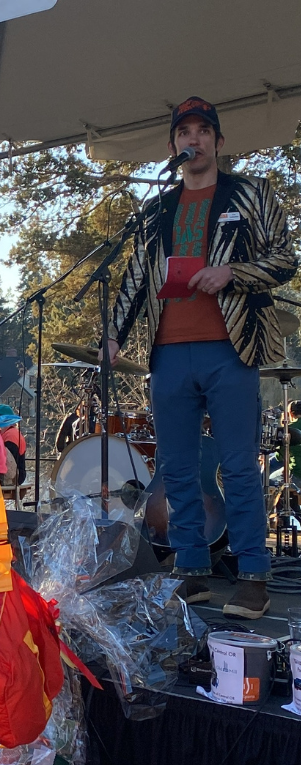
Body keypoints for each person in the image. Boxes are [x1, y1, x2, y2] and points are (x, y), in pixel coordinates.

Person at [104, 96, 298, 619]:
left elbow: (286, 259)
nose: (193, 140)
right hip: (168, 351)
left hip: (231, 347)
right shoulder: (155, 210)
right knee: (178, 468)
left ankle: (253, 574)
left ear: (218, 140)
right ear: (173, 146)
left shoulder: (251, 195)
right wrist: (115, 334)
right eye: (184, 133)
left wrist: (232, 272)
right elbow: (133, 280)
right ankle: (192, 571)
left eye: (202, 131)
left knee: (237, 466)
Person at [0, 404, 27, 486]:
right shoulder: (7, 433)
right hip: (14, 474)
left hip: (15, 476)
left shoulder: (11, 436)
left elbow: (9, 464)